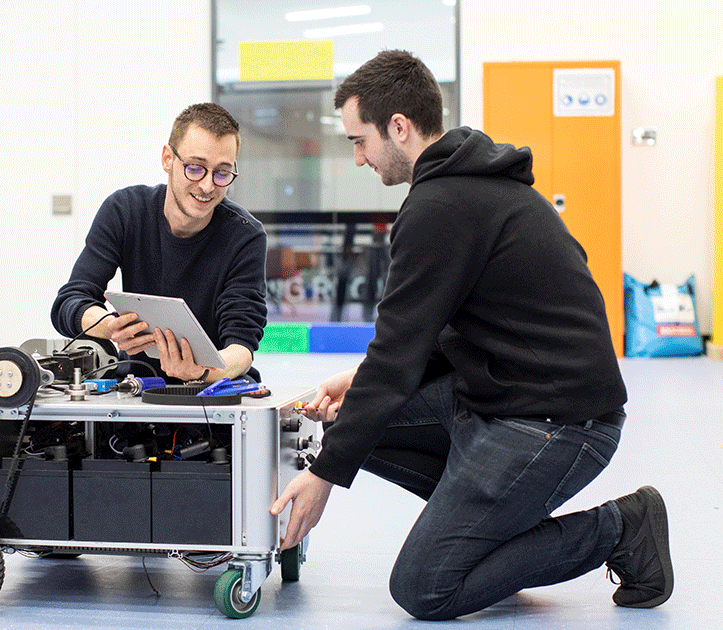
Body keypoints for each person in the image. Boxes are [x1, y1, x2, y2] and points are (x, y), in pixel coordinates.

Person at [270, 50, 673, 620]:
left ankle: (622, 528)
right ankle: (493, 522)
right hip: (506, 396)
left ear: (399, 128)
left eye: (359, 140)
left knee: (425, 587)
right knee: (351, 418)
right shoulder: (471, 190)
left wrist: (325, 474)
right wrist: (358, 381)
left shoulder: (441, 205)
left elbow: (397, 354)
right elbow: (430, 337)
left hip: (558, 421)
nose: (357, 158)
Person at [51, 103, 266, 383]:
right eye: (195, 168)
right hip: (138, 389)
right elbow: (69, 303)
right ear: (167, 159)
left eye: (222, 173)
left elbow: (242, 346)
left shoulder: (245, 236)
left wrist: (201, 372)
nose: (208, 186)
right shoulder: (125, 211)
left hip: (214, 393)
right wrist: (111, 327)